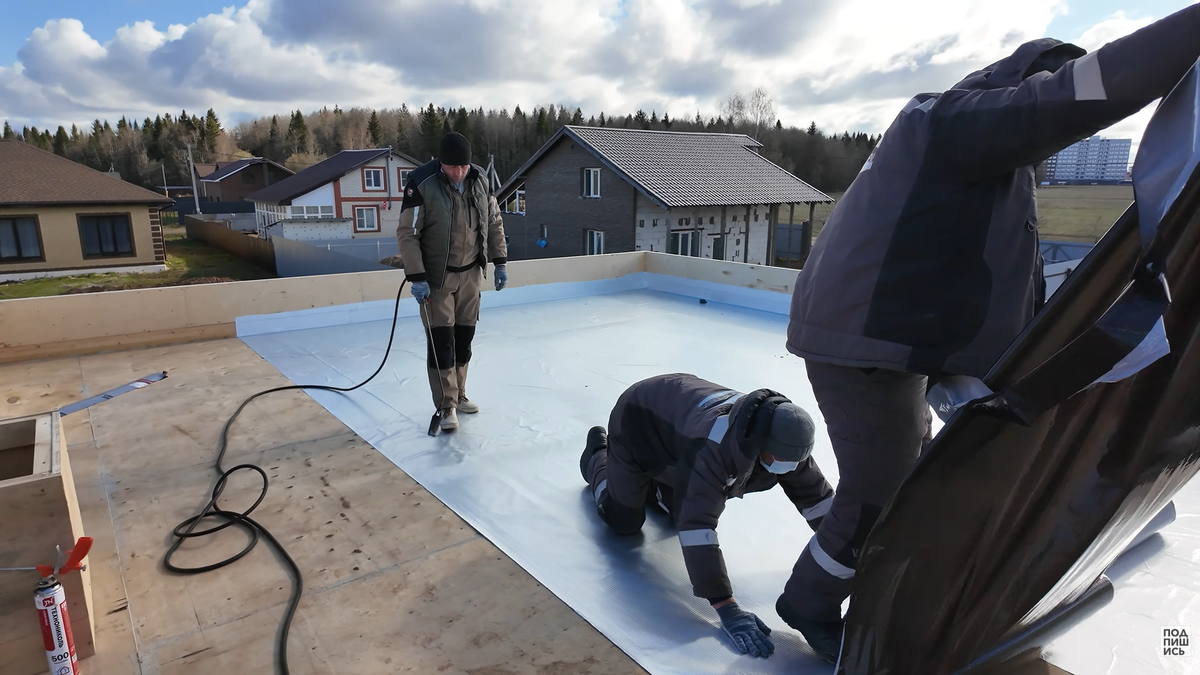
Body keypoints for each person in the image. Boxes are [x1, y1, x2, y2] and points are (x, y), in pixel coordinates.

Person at [777, 5, 1200, 663]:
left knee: (914, 472)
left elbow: (1008, 275)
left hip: (903, 335)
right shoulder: (954, 121)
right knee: (878, 489)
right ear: (1017, 85)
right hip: (863, 342)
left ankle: (880, 581)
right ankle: (805, 603)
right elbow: (1077, 95)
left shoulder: (986, 157)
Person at [579, 373, 833, 659]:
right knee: (623, 521)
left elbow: (818, 499)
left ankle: (653, 486)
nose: (790, 467)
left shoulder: (786, 438)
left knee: (678, 510)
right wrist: (726, 606)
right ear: (761, 444)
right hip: (640, 420)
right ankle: (599, 458)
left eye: (796, 461)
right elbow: (698, 527)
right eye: (782, 461)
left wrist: (850, 554)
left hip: (678, 429)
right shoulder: (714, 446)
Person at [397, 132, 509, 431]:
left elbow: (494, 222)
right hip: (437, 278)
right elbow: (407, 234)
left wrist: (499, 262)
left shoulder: (481, 180)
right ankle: (446, 407)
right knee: (441, 344)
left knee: (464, 341)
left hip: (471, 274)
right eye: (451, 167)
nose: (458, 173)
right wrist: (417, 276)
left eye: (463, 167)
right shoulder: (421, 184)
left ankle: (459, 394)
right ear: (440, 163)